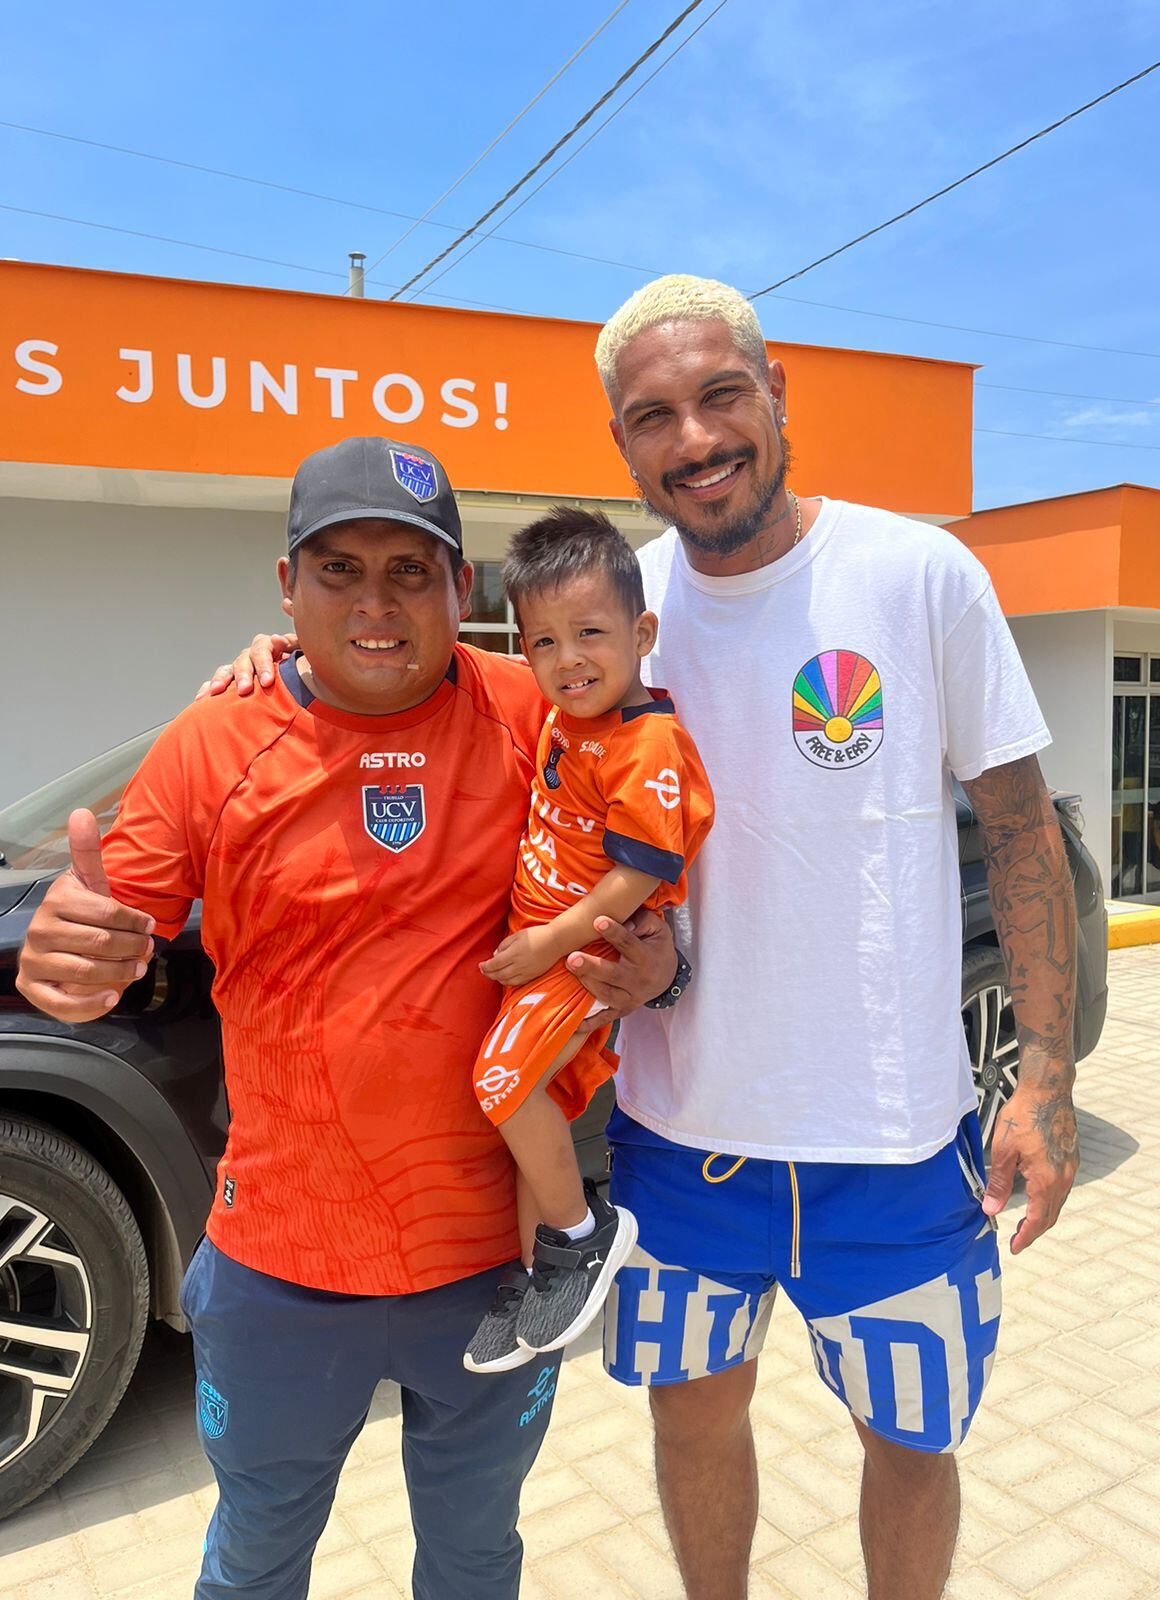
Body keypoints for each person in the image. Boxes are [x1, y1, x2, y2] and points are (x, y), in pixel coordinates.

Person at [209, 275, 1081, 1600]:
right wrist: (281, 657)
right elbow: (404, 669)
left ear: (776, 392)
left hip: (898, 1148)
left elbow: (1022, 834)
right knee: (690, 1422)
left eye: (721, 396)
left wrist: (1048, 1079)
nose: (695, 438)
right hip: (685, 1148)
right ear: (621, 443)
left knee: (911, 1448)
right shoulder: (603, 609)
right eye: (653, 416)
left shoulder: (918, 577)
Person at [15, 435, 676, 1600]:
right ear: (286, 588)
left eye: (410, 571)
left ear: (460, 590)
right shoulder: (216, 737)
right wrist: (74, 964)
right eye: (339, 570)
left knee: (475, 1562)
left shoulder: (541, 715)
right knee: (258, 1558)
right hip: (281, 1271)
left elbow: (658, 838)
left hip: (496, 1275)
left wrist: (657, 959)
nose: (377, 603)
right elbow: (107, 924)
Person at [464, 508, 714, 1374]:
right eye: (543, 643)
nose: (567, 659)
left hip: (580, 952)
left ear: (642, 632)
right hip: (543, 951)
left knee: (499, 1085)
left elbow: (639, 875)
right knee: (530, 1103)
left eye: (591, 634)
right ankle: (538, 1273)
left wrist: (545, 946)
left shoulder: (647, 744)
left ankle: (581, 1234)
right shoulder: (569, 717)